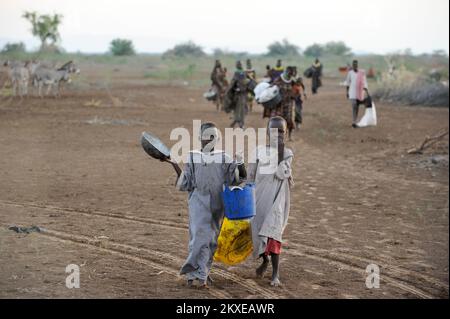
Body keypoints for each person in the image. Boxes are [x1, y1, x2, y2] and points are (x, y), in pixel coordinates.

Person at [176, 122, 246, 288]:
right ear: (200, 138)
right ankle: (199, 276)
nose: (209, 140)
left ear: (218, 139)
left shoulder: (224, 157)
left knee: (211, 241)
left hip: (217, 205)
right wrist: (173, 164)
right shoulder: (193, 156)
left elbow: (238, 178)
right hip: (197, 203)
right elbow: (186, 181)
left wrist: (241, 163)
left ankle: (200, 272)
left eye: (212, 137)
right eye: (206, 137)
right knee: (199, 239)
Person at [248, 116, 294, 287]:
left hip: (277, 200)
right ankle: (264, 261)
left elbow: (282, 173)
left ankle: (276, 273)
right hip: (259, 197)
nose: (278, 135)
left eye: (281, 131)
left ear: (286, 133)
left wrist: (280, 151)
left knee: (273, 234)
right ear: (267, 132)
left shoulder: (287, 154)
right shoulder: (258, 151)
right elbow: (250, 175)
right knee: (258, 232)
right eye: (274, 131)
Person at [272, 66, 295, 140]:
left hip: (289, 103)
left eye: (291, 73)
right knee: (278, 119)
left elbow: (295, 90)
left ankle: (289, 136)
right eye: (290, 73)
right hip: (279, 103)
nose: (290, 74)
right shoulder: (279, 79)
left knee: (289, 119)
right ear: (287, 71)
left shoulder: (292, 81)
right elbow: (273, 87)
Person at [345, 60, 369, 128]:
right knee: (354, 105)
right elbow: (347, 83)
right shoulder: (350, 73)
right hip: (352, 92)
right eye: (354, 65)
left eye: (356, 65)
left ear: (357, 65)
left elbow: (365, 81)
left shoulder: (361, 73)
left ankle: (354, 122)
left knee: (357, 107)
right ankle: (354, 121)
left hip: (359, 92)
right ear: (352, 66)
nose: (355, 66)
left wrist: (366, 89)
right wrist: (347, 92)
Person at [228, 61, 249, 128]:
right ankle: (240, 123)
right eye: (239, 64)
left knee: (239, 109)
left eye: (239, 64)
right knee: (240, 109)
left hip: (240, 94)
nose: (239, 65)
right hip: (240, 94)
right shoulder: (242, 73)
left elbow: (233, 82)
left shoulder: (239, 73)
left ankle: (237, 122)